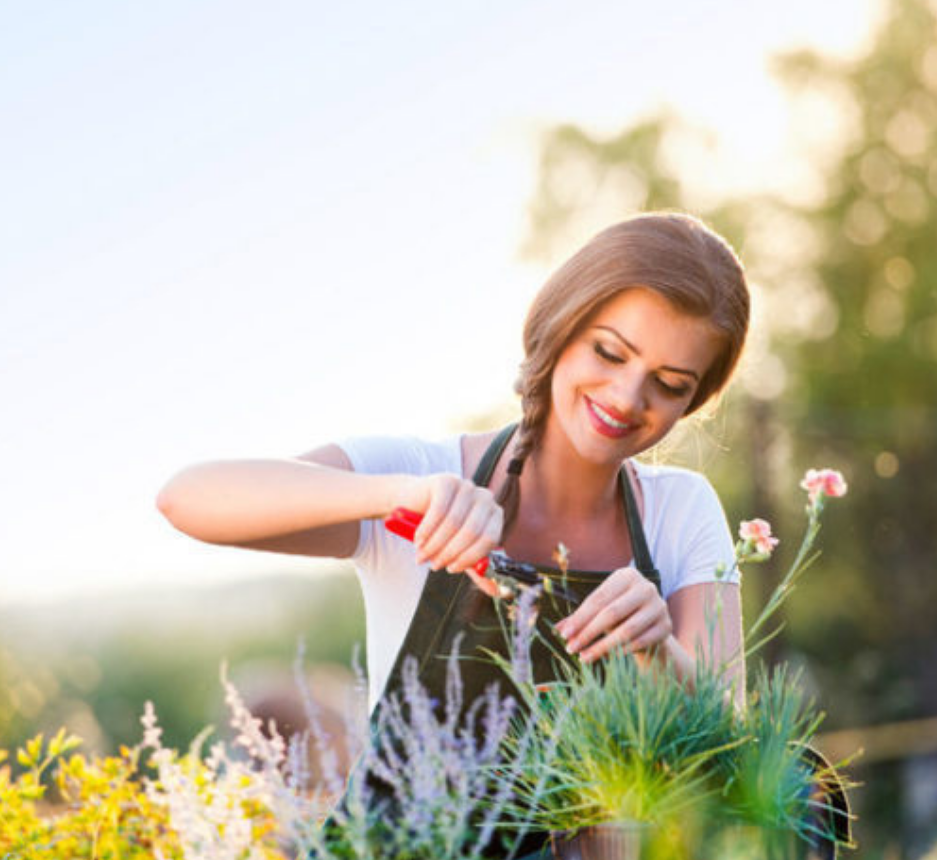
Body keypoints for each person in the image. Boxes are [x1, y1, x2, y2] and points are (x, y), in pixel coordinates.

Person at [156, 209, 750, 760]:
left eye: (670, 384)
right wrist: (395, 497)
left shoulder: (681, 510)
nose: (627, 397)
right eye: (609, 352)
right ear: (563, 323)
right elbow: (187, 499)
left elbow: (735, 757)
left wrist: (658, 654)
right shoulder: (417, 470)